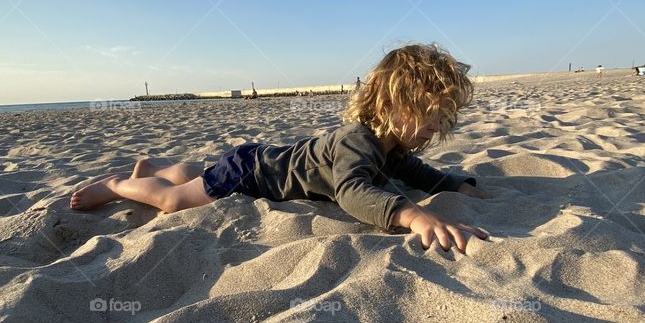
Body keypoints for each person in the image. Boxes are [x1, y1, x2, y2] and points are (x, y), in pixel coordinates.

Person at [70, 43, 490, 253]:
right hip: (250, 174)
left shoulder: (392, 143)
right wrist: (411, 214)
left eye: (443, 118)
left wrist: (453, 183)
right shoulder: (357, 142)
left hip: (258, 159)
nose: (436, 128)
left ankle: (158, 165)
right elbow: (353, 193)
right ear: (390, 105)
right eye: (429, 115)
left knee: (201, 175)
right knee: (176, 200)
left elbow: (415, 172)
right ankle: (118, 185)